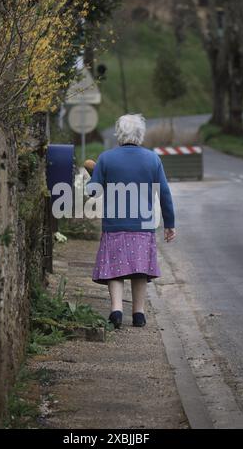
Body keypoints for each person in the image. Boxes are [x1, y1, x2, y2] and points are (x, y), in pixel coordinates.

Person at [86, 114, 176, 329]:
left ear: (119, 133)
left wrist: (94, 172)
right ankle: (139, 313)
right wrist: (169, 223)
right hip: (142, 226)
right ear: (140, 134)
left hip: (114, 225)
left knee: (115, 269)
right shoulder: (153, 159)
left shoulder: (106, 158)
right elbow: (164, 194)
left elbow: (93, 191)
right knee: (139, 270)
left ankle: (116, 310)